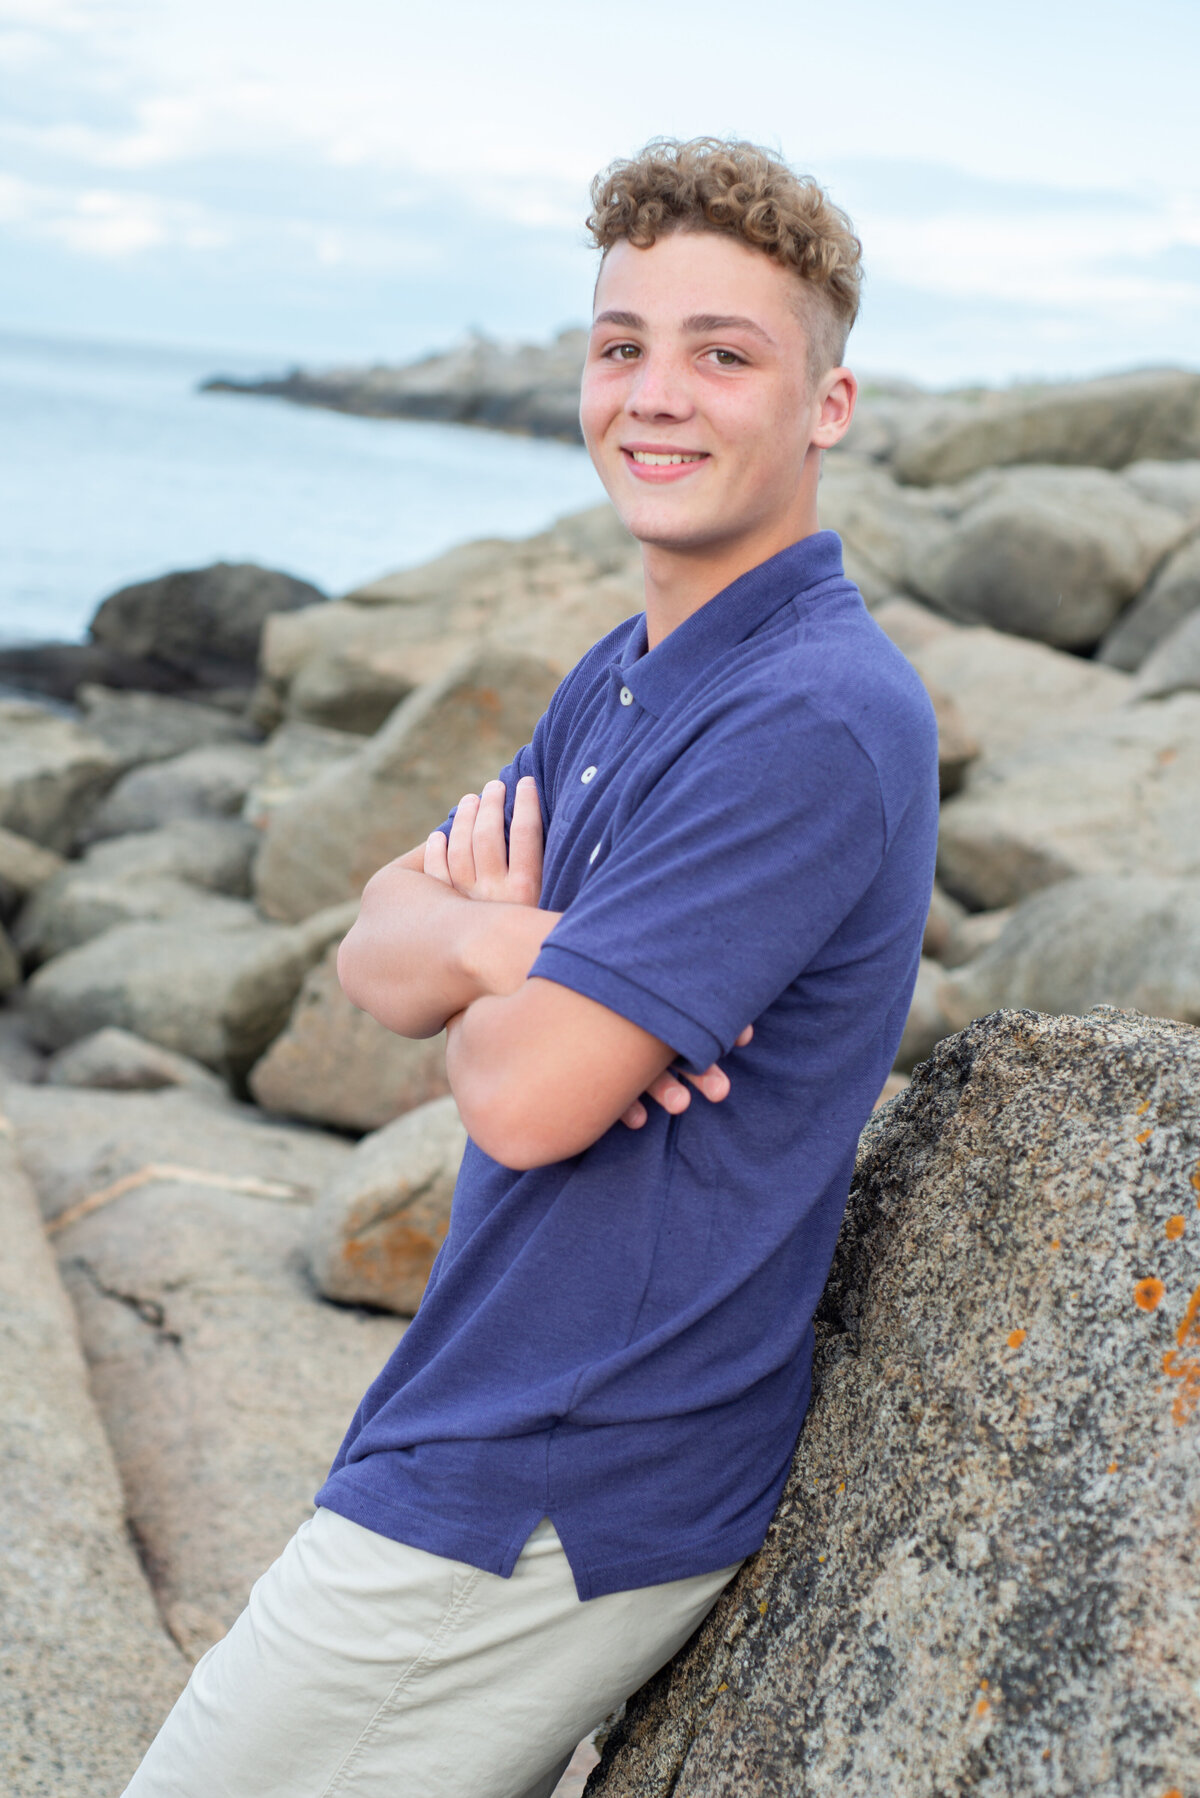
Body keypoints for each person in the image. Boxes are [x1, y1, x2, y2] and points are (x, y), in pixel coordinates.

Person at [124, 136, 939, 1798]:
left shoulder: (810, 718)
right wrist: (524, 940)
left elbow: (511, 1091)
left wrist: (493, 983)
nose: (657, 393)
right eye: (622, 343)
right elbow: (372, 944)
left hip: (555, 1478)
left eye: (726, 353)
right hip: (494, 1423)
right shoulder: (628, 674)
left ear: (828, 408)